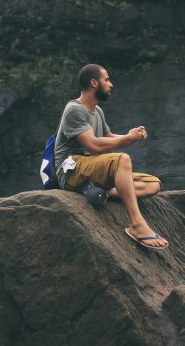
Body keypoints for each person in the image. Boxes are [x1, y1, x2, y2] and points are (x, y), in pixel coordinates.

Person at [54, 64, 168, 249]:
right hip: (72, 168)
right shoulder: (74, 110)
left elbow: (108, 137)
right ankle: (137, 225)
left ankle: (102, 191)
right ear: (94, 82)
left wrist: (131, 137)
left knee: (153, 184)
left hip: (91, 167)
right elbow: (93, 144)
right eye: (106, 79)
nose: (110, 84)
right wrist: (126, 140)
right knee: (122, 159)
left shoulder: (97, 111)